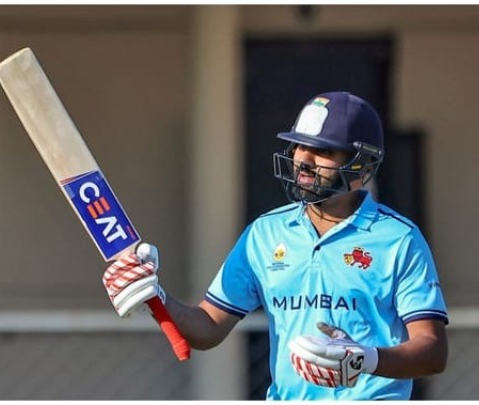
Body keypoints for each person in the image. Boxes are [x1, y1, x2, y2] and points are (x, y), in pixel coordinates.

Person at [102, 91, 449, 400]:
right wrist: (156, 298)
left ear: (360, 163)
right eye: (299, 146)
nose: (303, 159)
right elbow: (208, 327)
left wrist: (365, 359)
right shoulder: (265, 233)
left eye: (323, 151)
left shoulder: (399, 238)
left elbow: (433, 352)